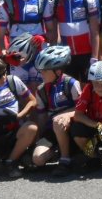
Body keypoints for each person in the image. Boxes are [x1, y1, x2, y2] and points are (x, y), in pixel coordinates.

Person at [31, 45, 81, 176]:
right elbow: (41, 118)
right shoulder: (41, 90)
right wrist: (39, 139)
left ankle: (65, 160)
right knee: (37, 159)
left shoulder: (71, 83)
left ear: (58, 71)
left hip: (71, 126)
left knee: (57, 121)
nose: (41, 74)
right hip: (52, 130)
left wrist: (67, 115)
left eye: (44, 71)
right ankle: (58, 150)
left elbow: (82, 108)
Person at [47, 0, 100, 83]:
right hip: (66, 55)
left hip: (86, 54)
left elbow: (95, 32)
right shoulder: (55, 3)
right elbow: (54, 34)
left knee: (87, 89)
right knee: (70, 90)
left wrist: (94, 57)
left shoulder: (88, 1)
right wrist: (54, 55)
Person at [70, 60, 102, 168]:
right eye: (96, 83)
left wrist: (99, 136)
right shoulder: (88, 89)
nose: (100, 87)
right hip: (95, 127)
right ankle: (93, 157)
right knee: (76, 129)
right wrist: (98, 126)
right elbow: (78, 115)